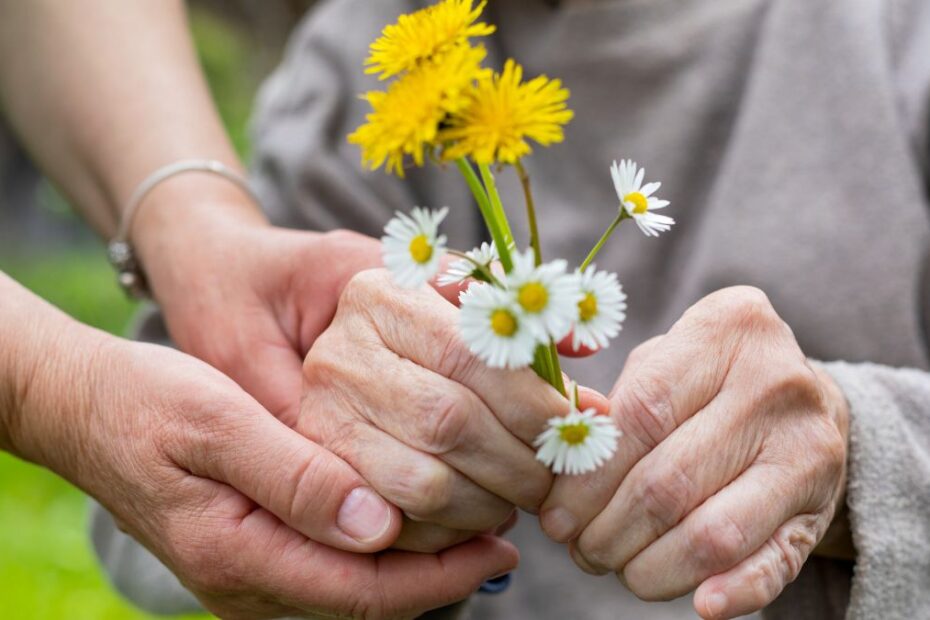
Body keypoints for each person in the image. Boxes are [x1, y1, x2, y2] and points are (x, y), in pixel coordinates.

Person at [2, 2, 928, 620]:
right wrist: (322, 476)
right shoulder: (353, 73)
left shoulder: (894, 43)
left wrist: (864, 453)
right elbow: (171, 503)